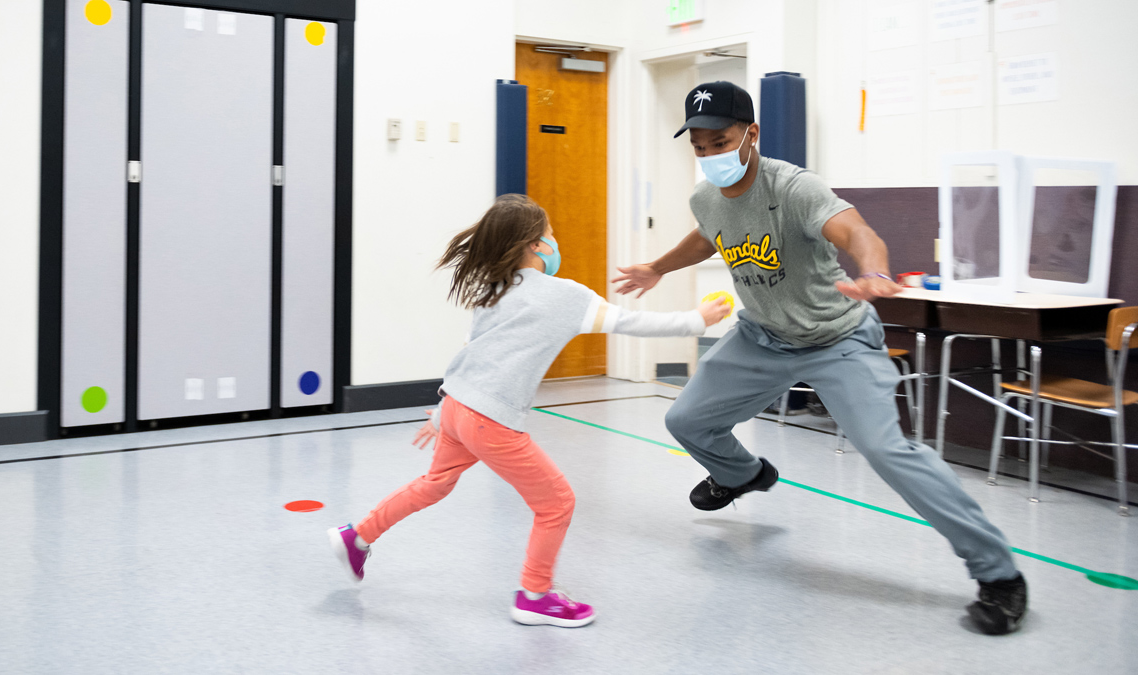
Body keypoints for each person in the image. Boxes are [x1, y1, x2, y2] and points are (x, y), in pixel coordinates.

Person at [612, 81, 1027, 635]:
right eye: (700, 146)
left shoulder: (796, 188)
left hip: (837, 339)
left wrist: (874, 273)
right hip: (763, 338)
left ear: (751, 134)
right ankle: (744, 474)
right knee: (686, 420)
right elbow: (708, 237)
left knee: (886, 450)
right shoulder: (706, 197)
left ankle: (998, 574)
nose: (710, 155)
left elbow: (856, 231)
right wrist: (659, 267)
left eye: (721, 141)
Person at [329, 194, 732, 628]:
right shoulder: (564, 296)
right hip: (490, 418)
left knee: (435, 483)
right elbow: (632, 323)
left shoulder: (494, 290)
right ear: (538, 245)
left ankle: (358, 536)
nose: (555, 243)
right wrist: (699, 319)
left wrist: (443, 409)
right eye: (551, 235)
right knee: (557, 502)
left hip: (460, 407)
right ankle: (535, 595)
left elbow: (471, 352)